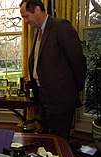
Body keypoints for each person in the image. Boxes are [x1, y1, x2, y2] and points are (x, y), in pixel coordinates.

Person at [19, 0, 87, 140]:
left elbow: (78, 61)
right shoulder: (37, 32)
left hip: (61, 99)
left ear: (37, 10)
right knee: (47, 140)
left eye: (26, 16)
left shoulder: (60, 26)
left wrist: (73, 90)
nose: (25, 21)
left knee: (59, 142)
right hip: (43, 98)